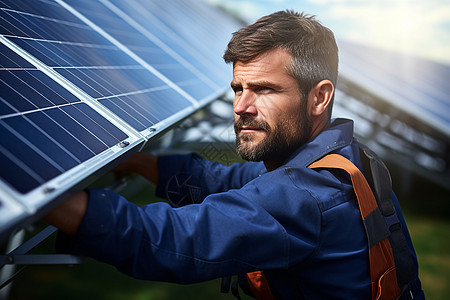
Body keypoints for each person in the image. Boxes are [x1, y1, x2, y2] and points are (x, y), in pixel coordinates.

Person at [44, 10, 424, 299]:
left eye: (264, 89)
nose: (241, 106)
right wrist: (136, 161)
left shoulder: (306, 197)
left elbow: (174, 240)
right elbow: (223, 180)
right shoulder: (344, 157)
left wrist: (38, 195)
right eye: (237, 88)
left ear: (319, 97)